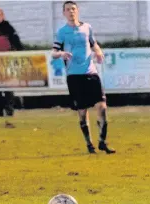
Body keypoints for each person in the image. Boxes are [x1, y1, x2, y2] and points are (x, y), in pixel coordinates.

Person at [52, 1, 115, 154]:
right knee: (82, 111)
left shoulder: (87, 28)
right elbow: (53, 52)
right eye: (67, 10)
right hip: (74, 76)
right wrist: (61, 54)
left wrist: (99, 52)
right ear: (64, 13)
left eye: (73, 9)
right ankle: (89, 144)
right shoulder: (62, 32)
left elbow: (94, 44)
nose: (71, 12)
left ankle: (102, 141)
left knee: (102, 106)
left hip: (91, 72)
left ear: (77, 11)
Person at [0, 8, 24, 117]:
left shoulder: (9, 30)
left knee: (7, 87)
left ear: (3, 16)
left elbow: (17, 44)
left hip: (7, 63)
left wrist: (20, 57)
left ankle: (9, 109)